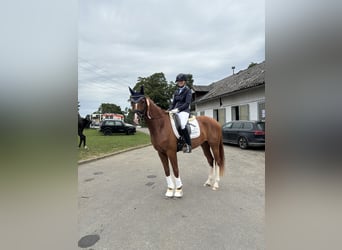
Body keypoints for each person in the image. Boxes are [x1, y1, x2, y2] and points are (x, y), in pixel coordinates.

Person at [168, 73, 192, 153]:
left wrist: (178, 110)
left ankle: (188, 145)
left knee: (182, 125)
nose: (180, 82)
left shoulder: (188, 91)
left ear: (184, 81)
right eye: (178, 81)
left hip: (184, 111)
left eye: (181, 81)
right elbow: (173, 103)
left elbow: (187, 104)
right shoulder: (176, 92)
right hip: (175, 110)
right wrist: (169, 110)